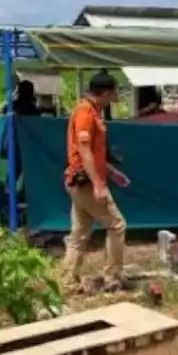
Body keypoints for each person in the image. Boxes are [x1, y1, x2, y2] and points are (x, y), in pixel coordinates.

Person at [62, 71, 131, 291]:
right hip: (87, 183)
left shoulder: (93, 111)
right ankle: (113, 277)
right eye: (114, 93)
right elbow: (83, 150)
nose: (116, 97)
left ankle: (66, 280)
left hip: (81, 181)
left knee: (80, 233)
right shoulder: (85, 112)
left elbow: (93, 151)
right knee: (117, 225)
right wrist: (99, 185)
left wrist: (110, 172)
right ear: (106, 92)